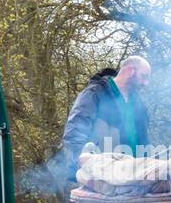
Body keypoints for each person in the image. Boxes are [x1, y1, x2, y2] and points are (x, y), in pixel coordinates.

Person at [60, 55, 152, 186]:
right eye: (143, 76)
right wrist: (86, 165)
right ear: (130, 71)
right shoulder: (95, 93)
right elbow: (74, 133)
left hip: (131, 180)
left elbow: (144, 141)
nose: (145, 83)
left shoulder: (138, 104)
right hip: (97, 180)